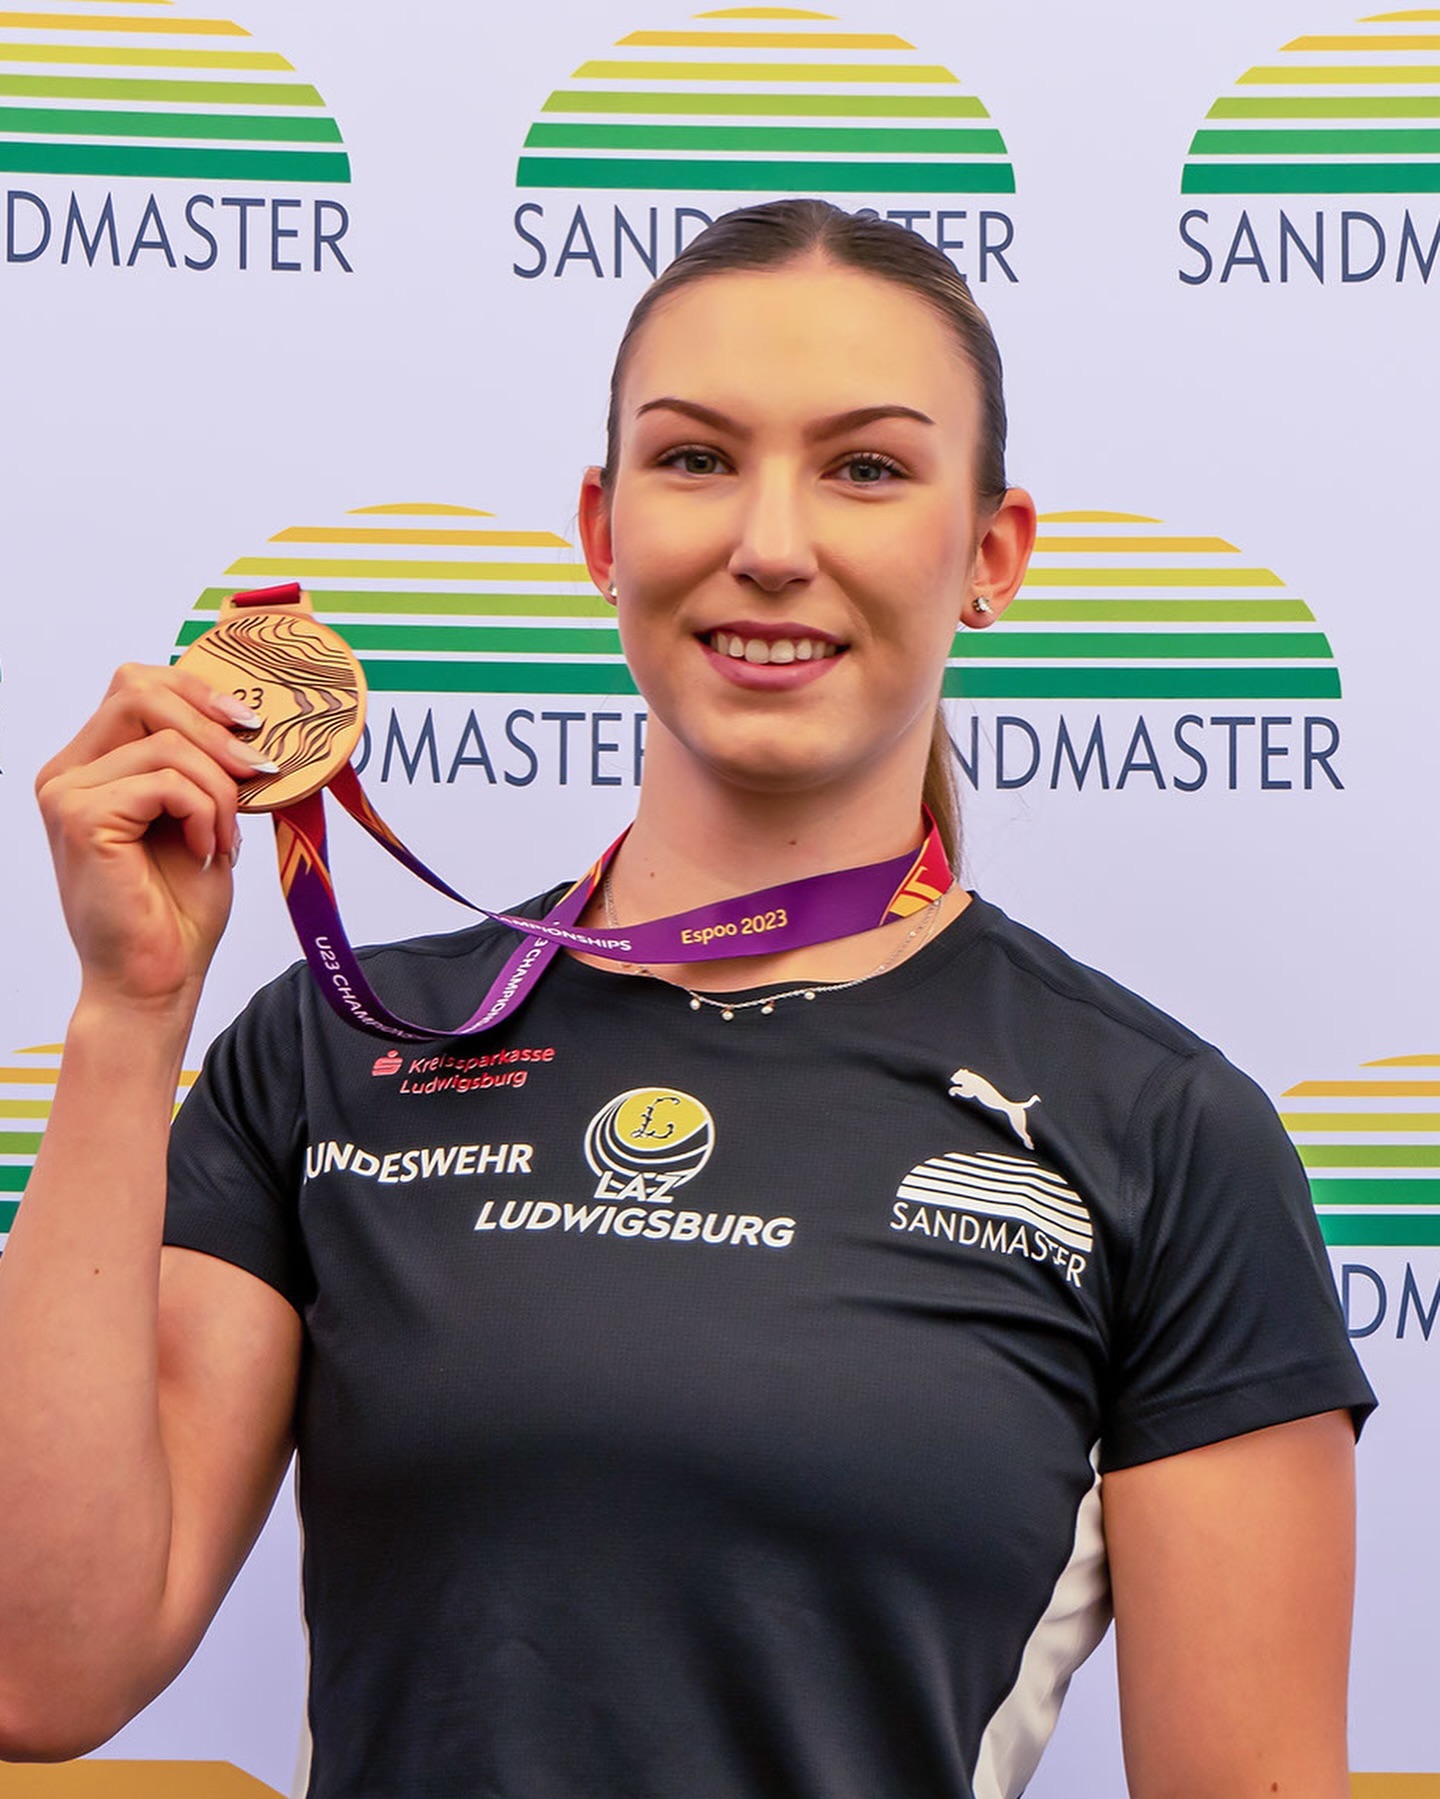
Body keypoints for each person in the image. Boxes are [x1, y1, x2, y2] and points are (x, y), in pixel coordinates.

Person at [3, 199, 1374, 1798]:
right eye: (696, 457)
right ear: (603, 531)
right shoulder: (334, 1048)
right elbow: (41, 1667)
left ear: (991, 556)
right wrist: (128, 1016)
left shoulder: (1161, 1131)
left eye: (867, 467)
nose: (771, 543)